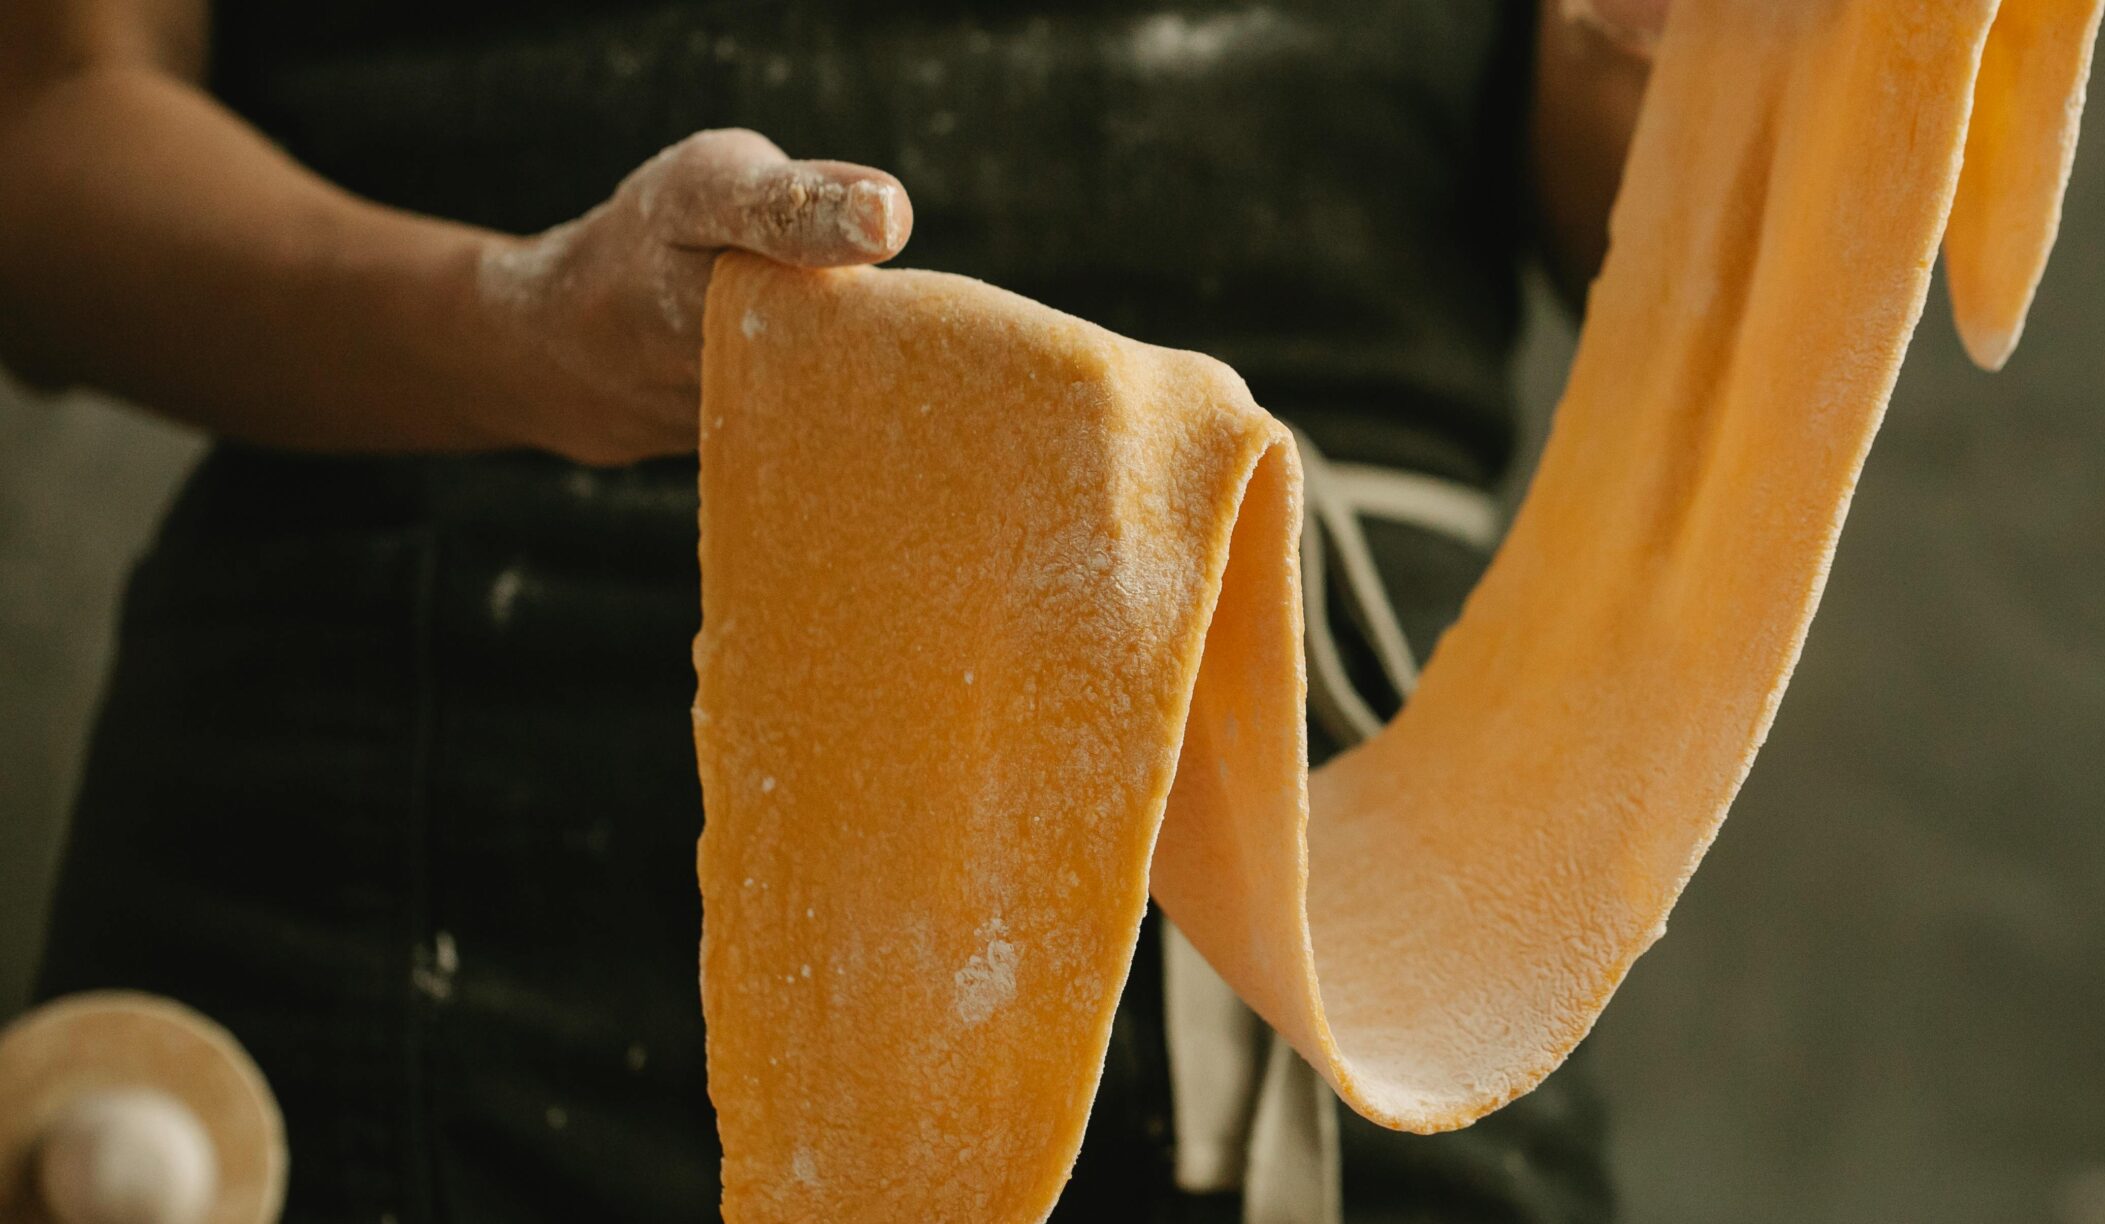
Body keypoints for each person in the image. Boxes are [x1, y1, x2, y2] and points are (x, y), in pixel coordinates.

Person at [0, 0, 1667, 1219]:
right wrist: (513, 328)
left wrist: (1684, 72)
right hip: (431, 836)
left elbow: (1604, 163)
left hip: (1305, 881)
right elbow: (49, 124)